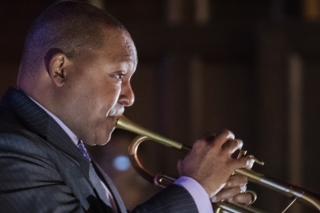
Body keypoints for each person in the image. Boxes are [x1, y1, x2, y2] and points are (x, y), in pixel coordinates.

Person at [0, 1, 255, 213]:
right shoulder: (8, 148)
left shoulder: (62, 147)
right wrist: (194, 187)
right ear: (60, 70)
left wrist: (201, 200)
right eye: (118, 75)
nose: (130, 97)